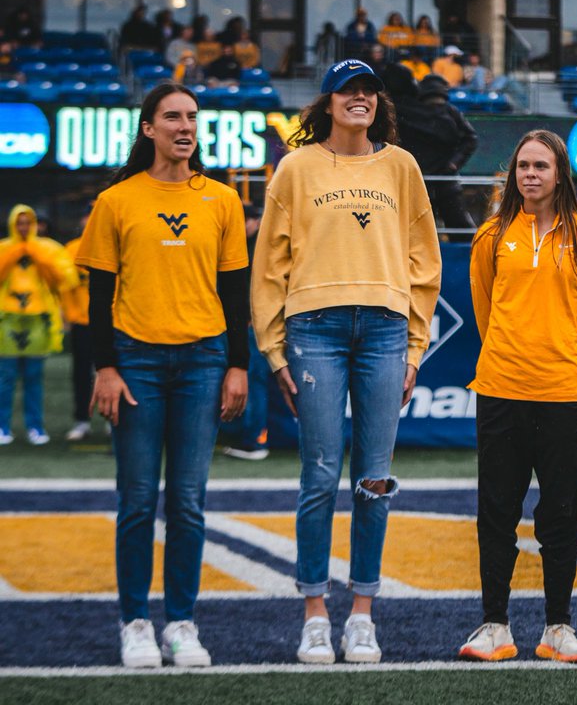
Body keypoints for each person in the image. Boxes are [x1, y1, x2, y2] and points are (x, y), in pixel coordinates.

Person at [251, 59, 441, 665]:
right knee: (318, 475)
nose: (358, 99)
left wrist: (415, 347)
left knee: (373, 480)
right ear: (327, 101)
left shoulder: (402, 166)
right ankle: (313, 614)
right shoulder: (297, 168)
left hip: (386, 330)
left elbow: (424, 262)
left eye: (367, 92)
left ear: (377, 103)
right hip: (314, 329)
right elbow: (269, 265)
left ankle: (362, 613)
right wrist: (273, 349)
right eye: (346, 91)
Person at [76, 82, 250, 668]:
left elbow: (235, 293)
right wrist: (105, 367)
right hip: (137, 363)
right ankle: (134, 623)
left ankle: (181, 623)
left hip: (204, 361)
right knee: (136, 499)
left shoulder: (222, 201)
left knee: (189, 501)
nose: (184, 126)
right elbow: (99, 298)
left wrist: (237, 366)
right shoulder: (117, 200)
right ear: (148, 128)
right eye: (171, 116)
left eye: (192, 117)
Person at [458, 129, 577, 664]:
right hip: (500, 388)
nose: (529, 174)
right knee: (496, 511)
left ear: (559, 173)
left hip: (563, 392)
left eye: (540, 166)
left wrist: (562, 356)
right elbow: (484, 309)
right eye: (522, 165)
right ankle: (494, 625)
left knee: (562, 514)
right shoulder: (491, 237)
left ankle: (558, 628)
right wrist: (512, 353)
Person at [0, 205, 77, 446]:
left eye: (27, 222)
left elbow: (66, 279)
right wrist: (14, 254)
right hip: (8, 319)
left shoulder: (48, 248)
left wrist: (38, 255)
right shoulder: (4, 248)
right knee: (5, 378)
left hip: (38, 320)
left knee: (34, 377)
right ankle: (2, 426)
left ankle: (35, 426)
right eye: (19, 223)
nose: (23, 228)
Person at [396, 74, 478, 239]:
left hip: (444, 179)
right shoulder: (409, 112)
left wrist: (453, 164)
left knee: (459, 227)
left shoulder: (450, 112)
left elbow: (470, 138)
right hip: (421, 179)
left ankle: (469, 261)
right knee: (420, 229)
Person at [221, 204, 271, 461]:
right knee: (252, 381)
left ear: (253, 221)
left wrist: (252, 318)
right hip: (253, 323)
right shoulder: (256, 243)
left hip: (255, 324)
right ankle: (250, 436)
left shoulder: (261, 246)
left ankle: (254, 440)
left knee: (253, 382)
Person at [63, 208, 95, 442]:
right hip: (83, 322)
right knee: (82, 374)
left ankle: (113, 419)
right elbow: (66, 287)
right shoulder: (72, 248)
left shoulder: (116, 243)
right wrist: (71, 316)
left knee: (118, 372)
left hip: (114, 323)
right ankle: (82, 420)